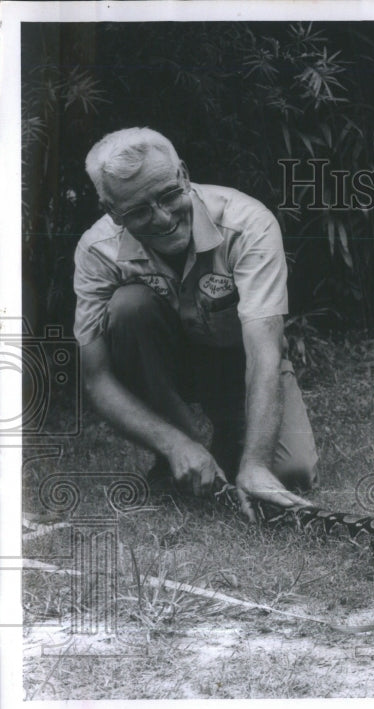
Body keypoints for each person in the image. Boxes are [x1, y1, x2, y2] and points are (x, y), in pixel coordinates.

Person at [73, 127, 319, 518]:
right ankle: (181, 446)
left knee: (292, 470)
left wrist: (255, 464)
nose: (163, 218)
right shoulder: (96, 250)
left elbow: (265, 350)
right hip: (167, 365)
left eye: (169, 195)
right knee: (128, 307)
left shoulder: (248, 222)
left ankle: (226, 443)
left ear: (184, 174)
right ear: (110, 210)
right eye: (138, 210)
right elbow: (96, 378)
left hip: (238, 363)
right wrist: (174, 444)